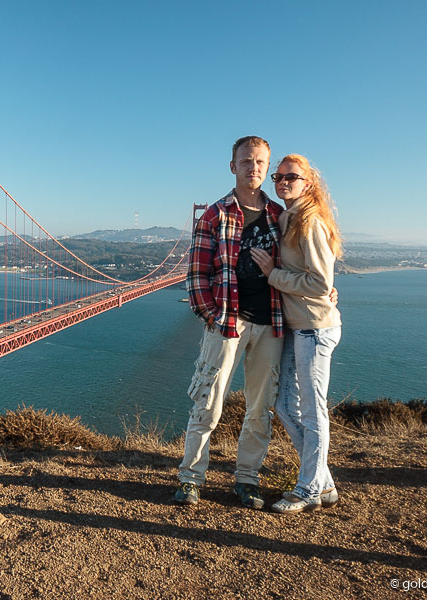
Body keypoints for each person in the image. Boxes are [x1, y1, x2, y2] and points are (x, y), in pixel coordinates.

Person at [176, 136, 285, 509]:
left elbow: (298, 266)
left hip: (270, 323)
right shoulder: (214, 214)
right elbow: (196, 275)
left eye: (259, 162)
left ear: (267, 168)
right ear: (232, 166)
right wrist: (214, 317)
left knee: (260, 408)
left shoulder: (279, 216)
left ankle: (247, 479)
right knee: (208, 403)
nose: (253, 167)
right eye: (246, 161)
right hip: (227, 322)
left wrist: (324, 291)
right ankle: (191, 479)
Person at [250, 153, 343, 514]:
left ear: (309, 183)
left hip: (315, 330)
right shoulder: (287, 218)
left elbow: (321, 283)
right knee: (285, 405)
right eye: (278, 176)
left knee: (312, 412)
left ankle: (307, 491)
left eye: (292, 177)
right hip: (297, 328)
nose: (283, 182)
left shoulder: (310, 222)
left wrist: (273, 274)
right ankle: (324, 482)